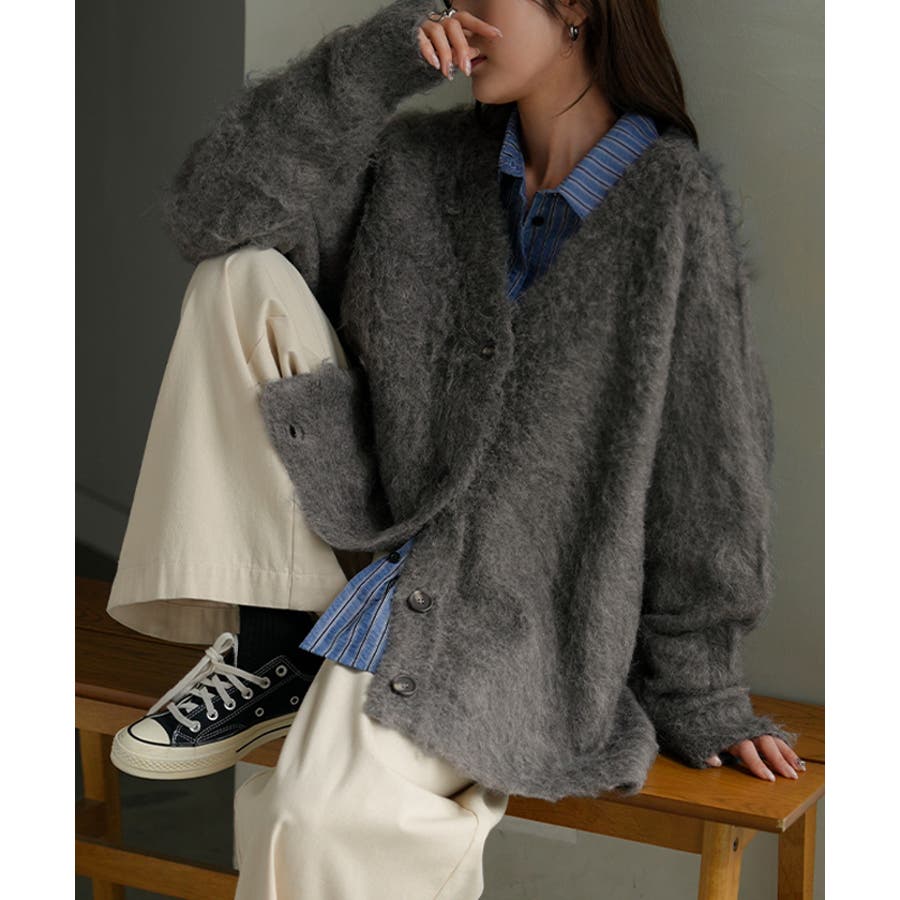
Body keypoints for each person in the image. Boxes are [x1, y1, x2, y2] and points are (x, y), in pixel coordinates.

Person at [105, 1, 805, 897]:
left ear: (575, 7)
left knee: (308, 822)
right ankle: (276, 646)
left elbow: (711, 468)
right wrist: (369, 67)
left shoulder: (672, 203)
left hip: (512, 624)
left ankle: (308, 668)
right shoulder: (418, 164)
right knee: (237, 277)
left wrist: (700, 690)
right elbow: (212, 213)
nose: (454, 14)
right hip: (362, 541)